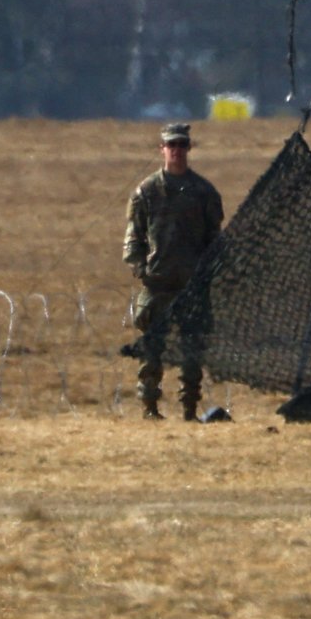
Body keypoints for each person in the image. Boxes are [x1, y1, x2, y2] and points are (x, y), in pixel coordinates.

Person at [121, 123, 226, 420]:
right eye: (172, 145)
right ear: (162, 149)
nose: (177, 151)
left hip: (191, 285)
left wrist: (209, 272)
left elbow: (214, 239)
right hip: (158, 283)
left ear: (189, 149)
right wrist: (141, 268)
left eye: (182, 145)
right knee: (152, 348)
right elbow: (134, 237)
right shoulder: (147, 191)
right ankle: (150, 407)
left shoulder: (204, 192)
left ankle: (189, 408)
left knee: (192, 350)